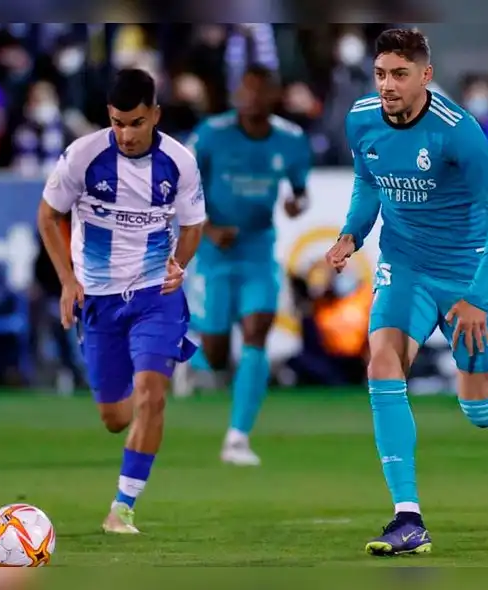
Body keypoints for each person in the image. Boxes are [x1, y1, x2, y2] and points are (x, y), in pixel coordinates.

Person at [324, 28, 488, 557]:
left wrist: (477, 293)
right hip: (405, 265)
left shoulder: (457, 131)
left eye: (400, 74)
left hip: (467, 274)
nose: (388, 85)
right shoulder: (361, 119)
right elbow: (369, 179)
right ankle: (407, 517)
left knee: (481, 413)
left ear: (426, 76)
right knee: (382, 361)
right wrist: (352, 232)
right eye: (380, 74)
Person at [36, 68, 205, 535]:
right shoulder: (82, 156)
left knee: (152, 396)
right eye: (117, 123)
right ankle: (138, 427)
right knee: (115, 417)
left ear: (155, 114)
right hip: (101, 300)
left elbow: (193, 224)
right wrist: (68, 281)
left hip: (156, 295)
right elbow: (49, 215)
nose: (125, 134)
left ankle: (122, 508)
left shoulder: (180, 162)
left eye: (135, 122)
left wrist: (179, 263)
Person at [183, 64, 311, 467]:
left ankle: (237, 437)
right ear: (238, 94)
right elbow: (180, 188)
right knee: (218, 355)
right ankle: (190, 359)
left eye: (261, 91)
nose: (252, 98)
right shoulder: (211, 134)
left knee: (257, 331)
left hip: (258, 248)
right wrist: (207, 228)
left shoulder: (291, 140)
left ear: (274, 96)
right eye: (246, 90)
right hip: (214, 254)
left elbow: (302, 192)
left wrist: (296, 204)